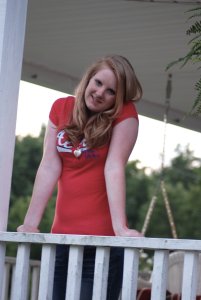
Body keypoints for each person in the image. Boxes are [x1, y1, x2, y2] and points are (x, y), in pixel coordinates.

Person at [17, 54, 143, 300]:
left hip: (102, 244)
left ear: (118, 99)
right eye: (98, 83)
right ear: (88, 78)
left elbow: (114, 167)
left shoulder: (125, 115)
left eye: (110, 92)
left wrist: (120, 229)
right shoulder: (60, 108)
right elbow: (49, 166)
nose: (99, 93)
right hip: (61, 240)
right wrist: (30, 223)